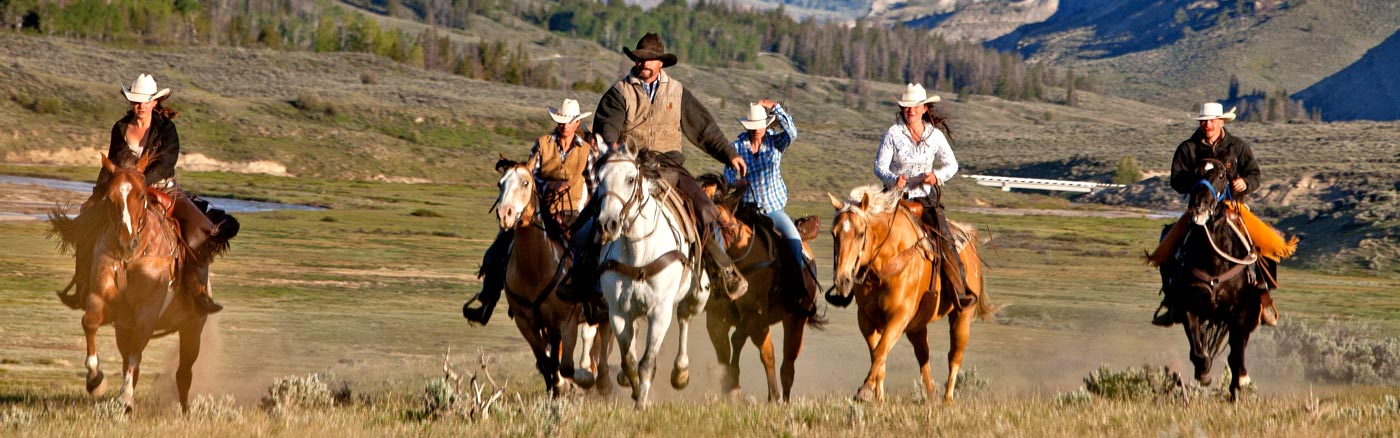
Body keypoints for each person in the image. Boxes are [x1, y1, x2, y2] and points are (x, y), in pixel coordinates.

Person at [564, 32, 749, 305]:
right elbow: (608, 128)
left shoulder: (677, 92)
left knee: (706, 209)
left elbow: (705, 129)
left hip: (671, 168)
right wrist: (612, 145)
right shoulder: (619, 92)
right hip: (631, 167)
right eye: (640, 59)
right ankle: (583, 278)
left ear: (661, 63)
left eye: (649, 60)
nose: (643, 64)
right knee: (595, 216)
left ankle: (723, 271)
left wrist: (729, 154)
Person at [66, 74, 226, 314]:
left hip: (163, 189)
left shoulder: (167, 129)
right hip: (125, 191)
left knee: (197, 232)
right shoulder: (120, 127)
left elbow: (167, 163)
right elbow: (109, 164)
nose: (139, 106)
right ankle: (81, 288)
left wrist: (139, 182)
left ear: (154, 102)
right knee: (85, 227)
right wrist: (97, 195)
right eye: (135, 101)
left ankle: (197, 292)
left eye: (144, 101)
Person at [1150, 102, 1293, 327]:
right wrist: (1198, 184)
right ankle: (1172, 300)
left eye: (1212, 121)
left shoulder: (1238, 146)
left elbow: (1254, 174)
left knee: (1269, 244)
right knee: (1167, 243)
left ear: (1221, 121)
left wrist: (1244, 183)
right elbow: (1176, 180)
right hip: (1199, 207)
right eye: (1204, 121)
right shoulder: (1188, 148)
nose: (1208, 125)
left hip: (1233, 208)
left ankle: (1263, 299)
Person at [463, 98, 604, 325]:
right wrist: (549, 186)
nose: (564, 125)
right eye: (560, 121)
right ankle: (487, 303)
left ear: (577, 123)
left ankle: (592, 305)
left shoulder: (586, 152)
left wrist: (592, 212)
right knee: (495, 252)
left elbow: (595, 185)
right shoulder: (542, 144)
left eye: (568, 121)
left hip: (571, 214)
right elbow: (530, 176)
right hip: (539, 212)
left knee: (590, 251)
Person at [872, 83, 975, 307]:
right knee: (863, 231)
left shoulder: (935, 136)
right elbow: (879, 167)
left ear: (924, 108)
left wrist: (935, 177)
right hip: (894, 198)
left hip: (925, 198)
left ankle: (959, 289)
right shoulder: (893, 133)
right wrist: (892, 179)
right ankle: (849, 284)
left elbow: (952, 165)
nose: (911, 110)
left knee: (945, 239)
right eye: (907, 107)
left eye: (915, 106)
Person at [722, 99, 818, 315]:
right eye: (753, 127)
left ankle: (796, 294)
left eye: (760, 126)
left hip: (774, 210)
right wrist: (735, 183)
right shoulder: (736, 148)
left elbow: (792, 132)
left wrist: (775, 107)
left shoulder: (775, 142)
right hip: (746, 210)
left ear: (766, 125)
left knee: (793, 243)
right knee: (723, 240)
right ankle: (718, 293)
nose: (757, 131)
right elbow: (727, 175)